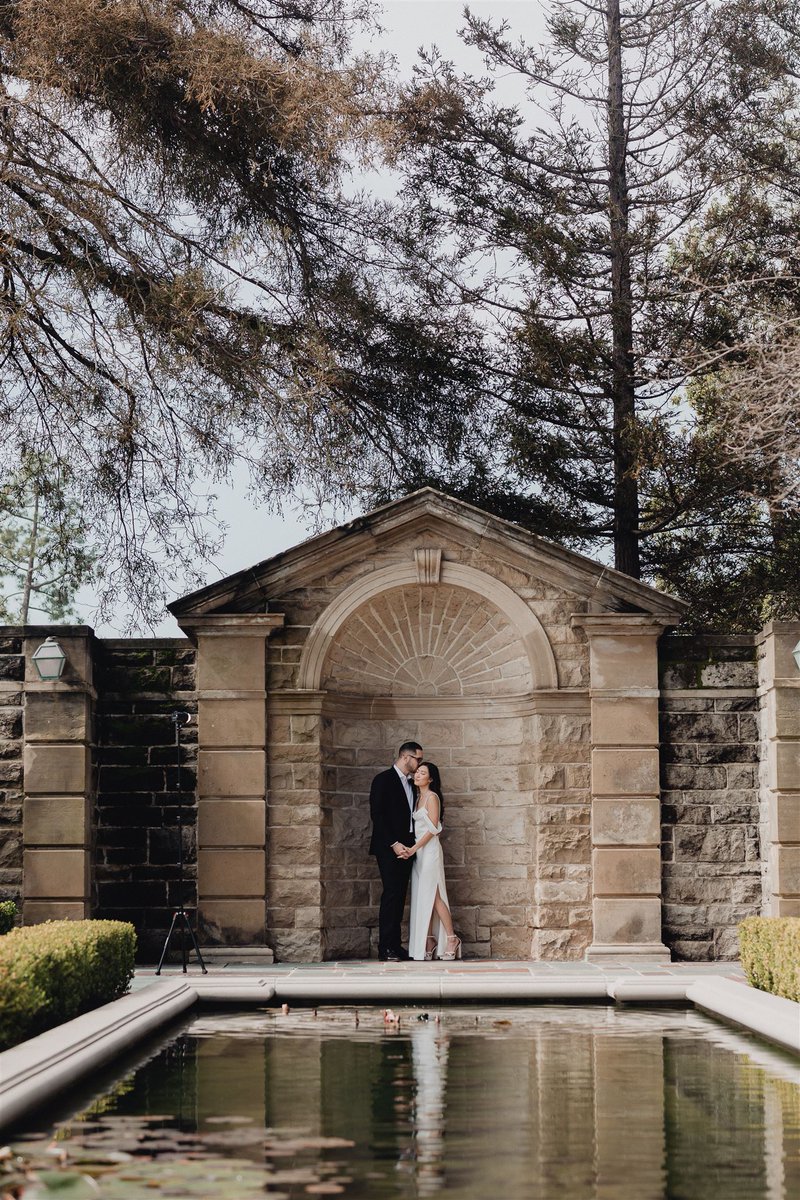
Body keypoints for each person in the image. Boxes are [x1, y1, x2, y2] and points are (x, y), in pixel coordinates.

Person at [398, 762, 460, 961]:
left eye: (422, 773)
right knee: (422, 895)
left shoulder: (432, 797)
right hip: (418, 852)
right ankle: (430, 939)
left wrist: (415, 848)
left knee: (434, 895)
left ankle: (452, 938)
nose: (417, 775)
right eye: (417, 772)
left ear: (430, 779)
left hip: (429, 851)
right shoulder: (417, 798)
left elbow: (434, 829)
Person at [369, 741, 424, 961]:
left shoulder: (412, 785)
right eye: (417, 759)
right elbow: (378, 815)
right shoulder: (383, 780)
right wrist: (394, 844)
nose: (419, 763)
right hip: (388, 848)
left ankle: (396, 945)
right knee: (391, 895)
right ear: (405, 757)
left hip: (408, 848)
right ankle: (385, 948)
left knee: (400, 896)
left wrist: (410, 846)